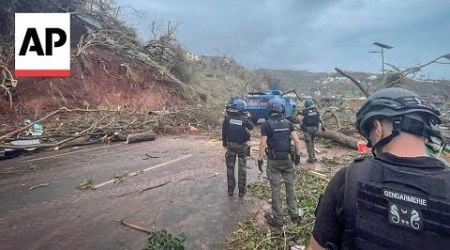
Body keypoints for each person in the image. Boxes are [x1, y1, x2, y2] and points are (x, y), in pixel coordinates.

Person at [307, 88, 450, 250]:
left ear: (377, 127)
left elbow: (315, 247)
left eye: (369, 134)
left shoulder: (348, 179)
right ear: (425, 132)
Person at [258, 99, 302, 227]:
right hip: (288, 160)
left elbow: (262, 144)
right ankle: (294, 216)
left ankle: (278, 220)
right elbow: (297, 141)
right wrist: (297, 155)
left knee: (275, 190)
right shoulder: (288, 123)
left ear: (270, 111)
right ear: (281, 110)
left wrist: (260, 159)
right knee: (290, 188)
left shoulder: (266, 125)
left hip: (274, 162)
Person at [222, 99, 253, 197]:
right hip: (242, 146)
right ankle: (241, 191)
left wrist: (224, 143)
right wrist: (249, 117)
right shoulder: (244, 118)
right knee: (242, 168)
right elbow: (251, 127)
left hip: (231, 145)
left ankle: (230, 190)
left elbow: (224, 132)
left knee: (230, 168)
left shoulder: (227, 118)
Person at [298, 99, 325, 163]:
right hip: (315, 130)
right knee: (312, 142)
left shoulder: (304, 111)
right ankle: (314, 156)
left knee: (308, 144)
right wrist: (323, 127)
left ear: (306, 105)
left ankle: (311, 158)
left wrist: (301, 125)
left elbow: (300, 120)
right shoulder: (315, 110)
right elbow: (321, 120)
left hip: (307, 130)